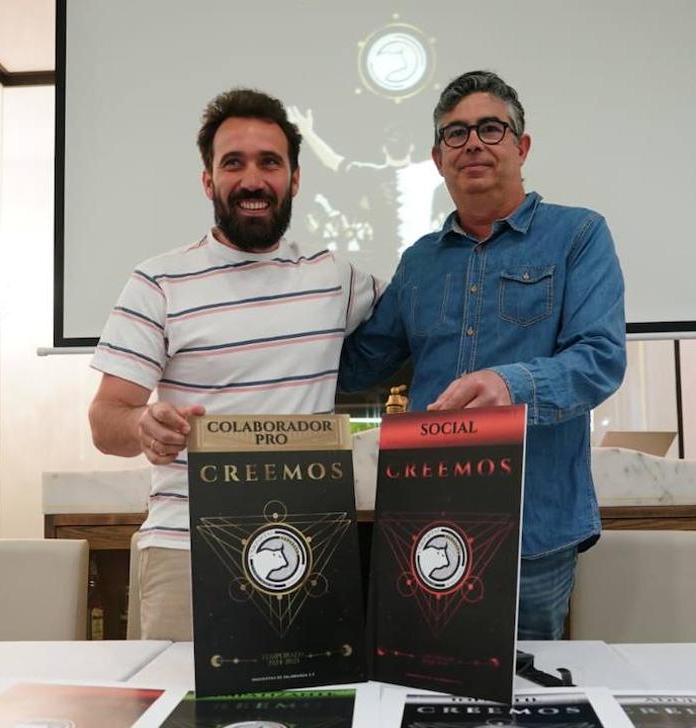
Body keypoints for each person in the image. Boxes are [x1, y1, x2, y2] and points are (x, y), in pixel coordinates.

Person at [339, 70, 627, 641]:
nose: (472, 143)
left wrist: (511, 385)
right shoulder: (419, 261)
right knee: (424, 694)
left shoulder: (579, 235)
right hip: (427, 526)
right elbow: (360, 365)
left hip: (533, 530)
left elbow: (600, 358)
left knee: (524, 712)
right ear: (438, 158)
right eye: (455, 133)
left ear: (522, 147)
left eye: (491, 129)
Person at [88, 89, 382, 641]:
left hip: (308, 550)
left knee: (314, 722)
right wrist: (141, 425)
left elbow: (428, 324)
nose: (253, 180)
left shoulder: (335, 278)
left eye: (270, 162)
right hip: (186, 550)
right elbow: (107, 421)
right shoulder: (158, 282)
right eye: (233, 163)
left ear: (294, 179)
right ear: (208, 180)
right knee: (175, 724)